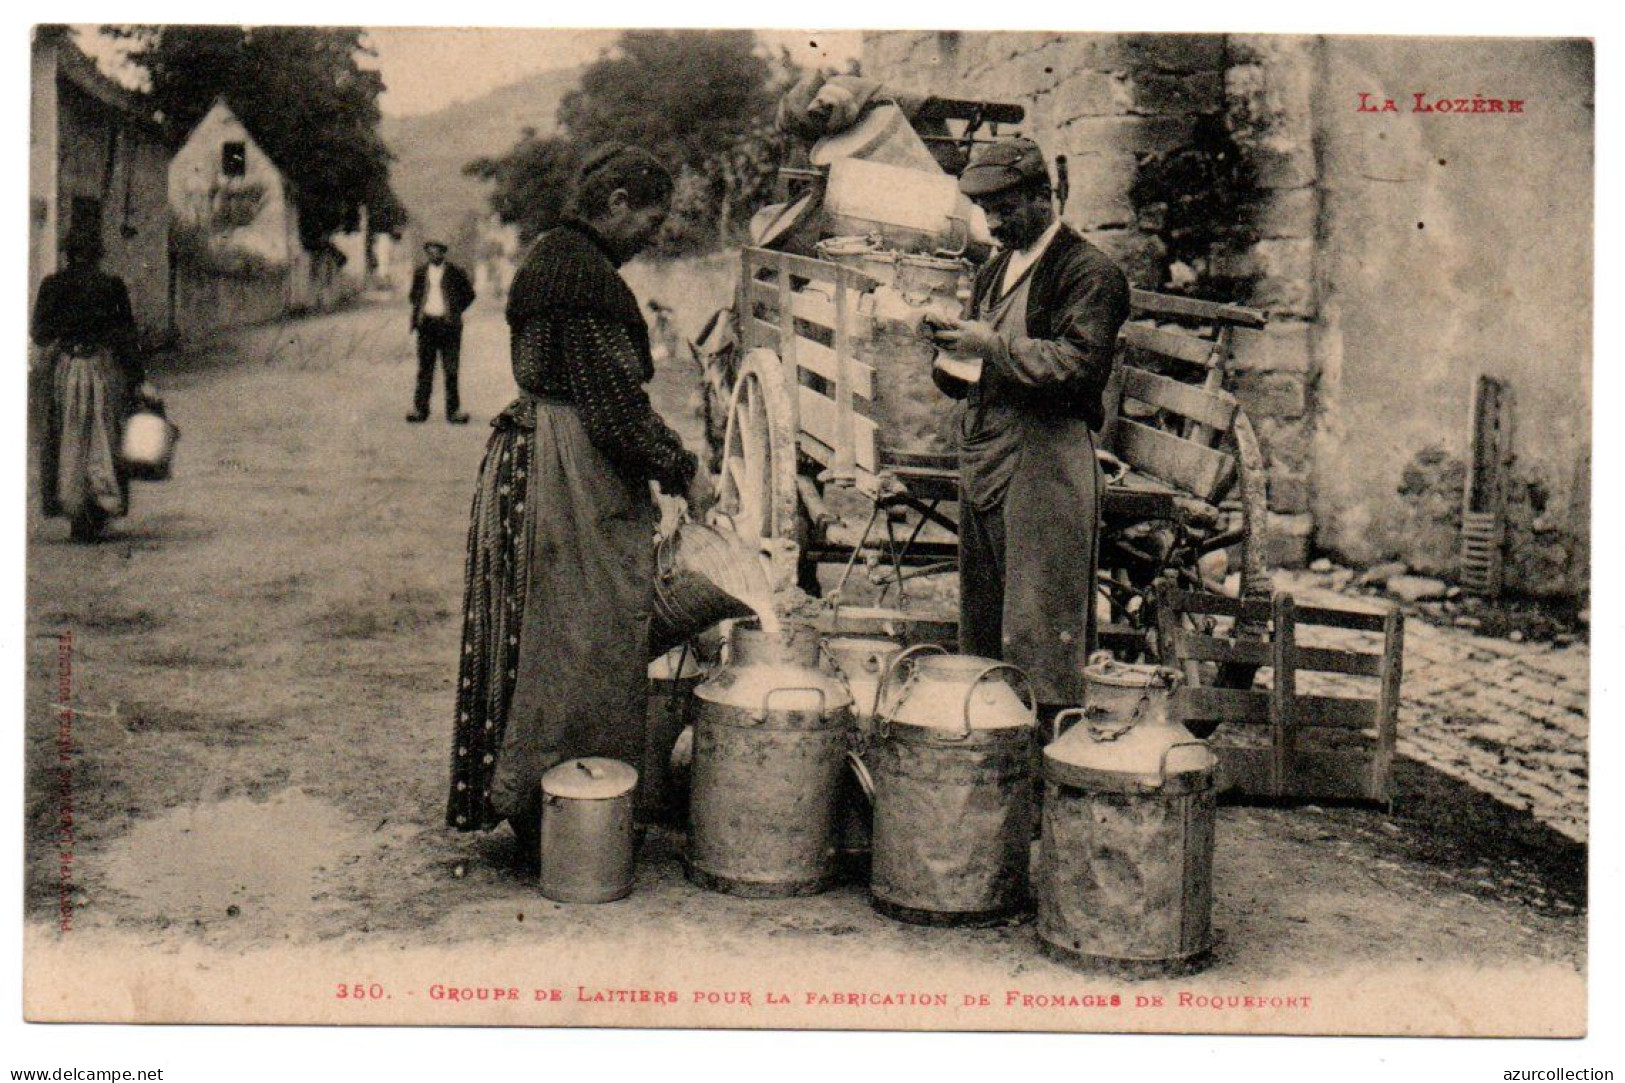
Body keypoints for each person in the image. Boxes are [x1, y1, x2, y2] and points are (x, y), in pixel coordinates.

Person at [446, 144, 713, 863]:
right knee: (579, 635)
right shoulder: (581, 275)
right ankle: (557, 805)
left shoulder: (555, 256)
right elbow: (615, 409)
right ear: (617, 200)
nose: (654, 235)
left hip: (541, 451)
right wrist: (683, 467)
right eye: (650, 217)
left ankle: (539, 799)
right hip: (567, 466)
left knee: (542, 634)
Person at [926, 137, 1131, 723]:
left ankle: (1049, 750)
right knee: (985, 622)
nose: (994, 223)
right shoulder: (995, 270)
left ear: (1045, 196)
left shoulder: (1090, 273)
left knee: (1041, 631)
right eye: (987, 212)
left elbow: (1079, 365)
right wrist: (946, 349)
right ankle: (992, 749)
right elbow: (971, 371)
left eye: (1007, 209)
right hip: (987, 456)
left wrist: (988, 345)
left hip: (1045, 465)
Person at [30, 229, 154, 542]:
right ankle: (98, 508)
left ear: (66, 254)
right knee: (104, 436)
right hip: (102, 369)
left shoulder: (53, 285)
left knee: (68, 437)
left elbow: (40, 333)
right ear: (98, 256)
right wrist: (139, 379)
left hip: (67, 369)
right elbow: (126, 337)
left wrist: (68, 326)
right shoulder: (111, 286)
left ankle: (75, 510)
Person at [407, 240, 476, 424]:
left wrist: (455, 310)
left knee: (451, 370)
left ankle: (453, 412)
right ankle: (420, 411)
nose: (432, 254)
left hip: (449, 327)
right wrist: (421, 315)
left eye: (436, 251)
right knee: (425, 370)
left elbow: (469, 295)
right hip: (427, 325)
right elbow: (413, 296)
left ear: (443, 253)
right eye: (429, 251)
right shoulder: (421, 272)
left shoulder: (454, 272)